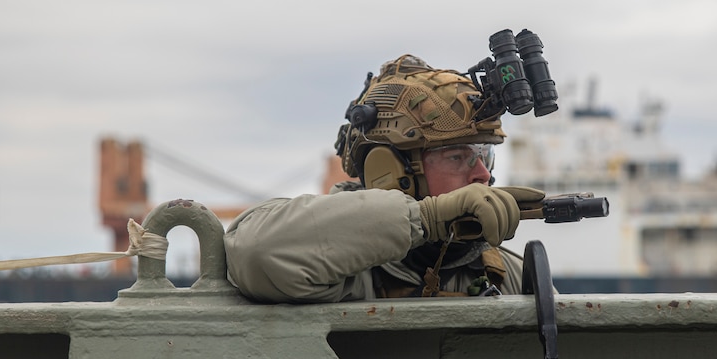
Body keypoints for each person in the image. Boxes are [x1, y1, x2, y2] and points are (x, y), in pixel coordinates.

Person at [224, 55, 544, 303]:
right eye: (457, 157)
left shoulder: (506, 275)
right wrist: (426, 218)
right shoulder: (347, 272)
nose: (483, 175)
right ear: (389, 172)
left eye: (484, 155)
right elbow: (255, 253)